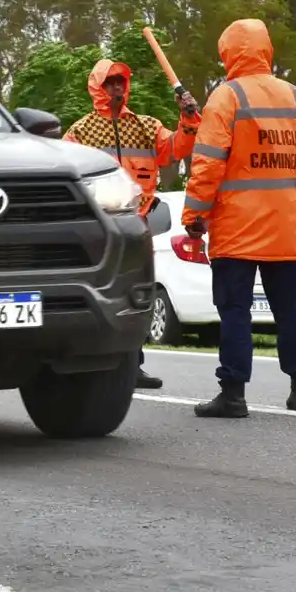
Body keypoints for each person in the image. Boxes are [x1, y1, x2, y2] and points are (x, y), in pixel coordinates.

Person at [180, 19, 296, 418]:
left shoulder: (226, 97)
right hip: (284, 226)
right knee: (291, 308)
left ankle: (233, 393)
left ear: (229, 53)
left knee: (235, 310)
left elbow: (207, 163)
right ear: (266, 49)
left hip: (236, 228)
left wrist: (195, 215)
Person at [64, 57, 200, 390]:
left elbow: (179, 148)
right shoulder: (80, 131)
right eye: (110, 82)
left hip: (136, 228)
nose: (116, 87)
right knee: (99, 295)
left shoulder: (146, 125)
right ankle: (86, 363)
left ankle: (131, 366)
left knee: (134, 296)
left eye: (121, 82)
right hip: (96, 230)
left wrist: (189, 117)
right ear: (97, 87)